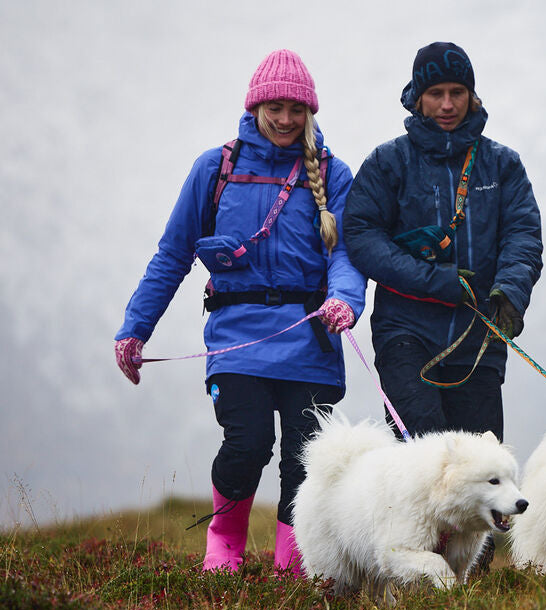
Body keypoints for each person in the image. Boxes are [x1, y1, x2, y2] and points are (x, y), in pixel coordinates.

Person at [114, 49, 366, 575]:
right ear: (255, 106)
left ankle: (293, 565)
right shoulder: (216, 168)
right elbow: (173, 255)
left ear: (310, 114)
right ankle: (223, 544)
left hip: (311, 343)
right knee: (246, 444)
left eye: (297, 109)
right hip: (236, 341)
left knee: (305, 460)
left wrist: (346, 299)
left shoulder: (333, 174)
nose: (285, 119)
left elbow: (344, 254)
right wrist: (135, 330)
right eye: (274, 107)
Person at [343, 41, 543, 445]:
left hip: (479, 333)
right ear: (418, 99)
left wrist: (511, 290)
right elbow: (361, 235)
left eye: (457, 92)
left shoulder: (504, 165)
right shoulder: (387, 163)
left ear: (472, 96)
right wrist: (436, 280)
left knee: (479, 468)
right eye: (436, 94)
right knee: (425, 456)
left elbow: (523, 235)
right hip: (404, 333)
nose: (447, 104)